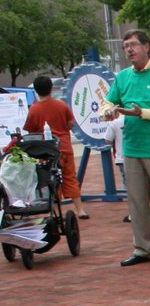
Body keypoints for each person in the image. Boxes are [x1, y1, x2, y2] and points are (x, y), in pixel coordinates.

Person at [101, 29, 150, 267]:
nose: (129, 50)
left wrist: (141, 113)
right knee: (136, 202)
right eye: (126, 47)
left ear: (147, 46)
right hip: (131, 149)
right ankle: (141, 248)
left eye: (134, 45)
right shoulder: (122, 77)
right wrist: (108, 110)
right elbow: (108, 101)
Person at [22, 75, 87, 220]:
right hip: (64, 147)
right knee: (70, 177)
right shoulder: (61, 105)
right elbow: (71, 123)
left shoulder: (34, 109)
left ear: (36, 91)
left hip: (46, 150)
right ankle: (80, 209)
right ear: (51, 88)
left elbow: (30, 131)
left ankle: (55, 211)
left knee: (51, 179)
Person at [102, 119, 150, 223]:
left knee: (131, 188)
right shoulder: (139, 118)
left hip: (123, 157)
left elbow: (107, 140)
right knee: (143, 183)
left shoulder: (115, 122)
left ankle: (135, 214)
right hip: (141, 155)